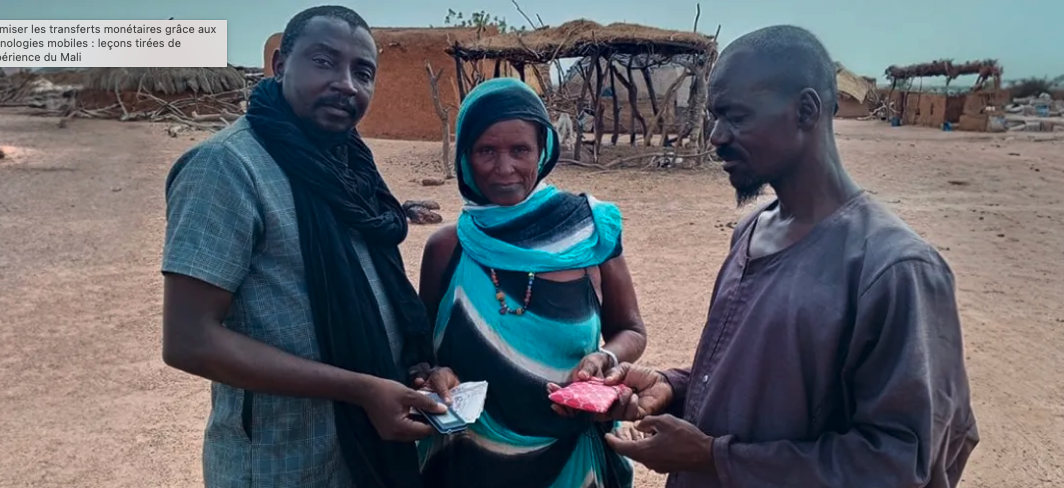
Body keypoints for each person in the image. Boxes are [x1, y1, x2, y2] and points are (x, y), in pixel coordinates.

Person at [599, 25, 979, 487]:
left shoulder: (895, 270)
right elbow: (758, 382)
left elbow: (903, 465)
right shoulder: (752, 230)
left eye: (736, 116)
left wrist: (715, 458)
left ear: (805, 111)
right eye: (713, 117)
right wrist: (673, 387)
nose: (716, 136)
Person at [159, 5, 454, 487]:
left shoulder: (350, 167)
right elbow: (189, 340)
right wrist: (360, 389)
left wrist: (416, 368)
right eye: (324, 61)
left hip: (365, 450)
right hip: (283, 459)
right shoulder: (227, 168)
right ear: (279, 65)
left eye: (363, 72)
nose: (347, 84)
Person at [415, 77, 648, 488]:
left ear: (543, 152)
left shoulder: (588, 235)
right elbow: (417, 352)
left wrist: (604, 360)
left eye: (520, 150)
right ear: (465, 158)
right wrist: (433, 373)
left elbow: (630, 329)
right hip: (469, 464)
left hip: (573, 465)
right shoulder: (446, 249)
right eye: (486, 150)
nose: (504, 168)